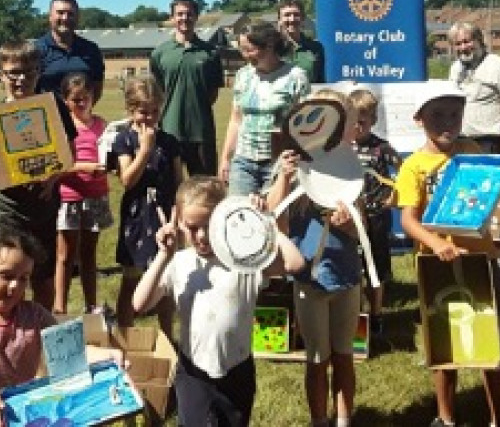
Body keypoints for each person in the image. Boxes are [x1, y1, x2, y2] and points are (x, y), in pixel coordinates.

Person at [133, 176, 304, 427]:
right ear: (179, 222)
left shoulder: (245, 261)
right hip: (193, 372)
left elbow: (294, 263)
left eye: (209, 225)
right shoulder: (179, 263)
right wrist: (162, 256)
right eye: (192, 227)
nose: (202, 236)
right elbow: (140, 304)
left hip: (237, 371)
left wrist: (266, 224)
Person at [395, 80, 500, 427]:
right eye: (437, 115)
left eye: (455, 114)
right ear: (419, 119)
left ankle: (499, 418)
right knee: (443, 346)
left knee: (489, 346)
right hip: (437, 265)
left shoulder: (473, 151)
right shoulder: (413, 166)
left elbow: (485, 194)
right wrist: (437, 245)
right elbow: (408, 220)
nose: (448, 122)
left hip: (480, 260)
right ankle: (445, 417)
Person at [0, 226, 123, 426]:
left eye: (23, 279)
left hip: (21, 418)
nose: (15, 286)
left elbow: (71, 351)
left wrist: (106, 355)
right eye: (5, 275)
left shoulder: (34, 316)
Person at [264, 88, 364, 427]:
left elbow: (361, 230)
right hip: (310, 277)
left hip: (347, 275)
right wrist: (284, 178)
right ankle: (319, 419)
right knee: (317, 358)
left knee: (345, 355)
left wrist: (350, 224)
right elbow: (274, 221)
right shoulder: (294, 167)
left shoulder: (349, 170)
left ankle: (344, 418)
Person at [0, 40, 76, 313]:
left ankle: (40, 337)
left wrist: (52, 177)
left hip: (43, 211)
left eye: (29, 72)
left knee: (43, 279)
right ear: (1, 74)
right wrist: (26, 174)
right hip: (8, 213)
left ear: (39, 72)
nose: (21, 79)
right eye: (13, 73)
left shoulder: (53, 107)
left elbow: (67, 154)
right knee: (8, 279)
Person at [112, 76, 183, 336]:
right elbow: (127, 180)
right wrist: (144, 150)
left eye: (155, 111)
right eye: (143, 111)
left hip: (165, 214)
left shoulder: (170, 141)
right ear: (131, 111)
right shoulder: (123, 140)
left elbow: (179, 182)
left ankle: (167, 334)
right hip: (137, 215)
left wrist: (178, 215)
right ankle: (125, 334)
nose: (150, 117)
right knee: (131, 277)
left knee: (165, 278)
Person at [219, 21, 310, 195]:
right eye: (241, 49)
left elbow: (304, 126)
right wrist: (225, 159)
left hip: (278, 162)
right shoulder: (243, 75)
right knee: (241, 216)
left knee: (274, 217)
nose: (244, 55)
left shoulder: (296, 77)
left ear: (268, 46)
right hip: (243, 161)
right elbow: (236, 120)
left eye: (249, 49)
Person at [52, 71, 113, 316]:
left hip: (96, 196)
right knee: (65, 256)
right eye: (75, 99)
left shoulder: (102, 124)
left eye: (85, 97)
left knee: (89, 255)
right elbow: (58, 165)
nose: (81, 103)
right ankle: (60, 307)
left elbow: (111, 153)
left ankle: (91, 306)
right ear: (65, 100)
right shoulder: (62, 127)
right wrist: (85, 168)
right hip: (70, 197)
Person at [149, 0, 224, 176]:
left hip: (201, 131)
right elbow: (157, 89)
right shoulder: (160, 53)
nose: (185, 18)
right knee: (168, 187)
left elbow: (212, 92)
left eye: (189, 14)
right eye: (180, 14)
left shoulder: (210, 53)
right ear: (172, 17)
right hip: (169, 130)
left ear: (196, 16)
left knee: (204, 187)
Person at [348, 87, 401, 336]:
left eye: (363, 122)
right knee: (353, 267)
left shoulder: (382, 148)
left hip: (377, 215)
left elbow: (404, 170)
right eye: (352, 121)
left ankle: (377, 314)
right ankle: (355, 315)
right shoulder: (342, 147)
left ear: (373, 121)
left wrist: (395, 194)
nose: (357, 127)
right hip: (350, 218)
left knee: (376, 270)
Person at [447, 21, 500, 176]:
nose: (463, 47)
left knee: (485, 191)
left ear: (479, 40)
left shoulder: (499, 66)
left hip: (488, 143)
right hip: (460, 142)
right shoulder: (455, 68)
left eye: (467, 41)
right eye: (458, 44)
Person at [35, 0, 106, 102]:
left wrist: (81, 112)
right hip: (50, 118)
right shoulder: (36, 50)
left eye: (70, 14)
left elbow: (97, 89)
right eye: (60, 12)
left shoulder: (91, 50)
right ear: (50, 16)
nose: (65, 18)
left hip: (81, 117)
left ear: (77, 17)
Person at [277, 0, 326, 84]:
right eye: (287, 15)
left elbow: (320, 82)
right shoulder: (271, 47)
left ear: (303, 18)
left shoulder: (316, 47)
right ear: (279, 20)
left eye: (296, 15)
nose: (292, 19)